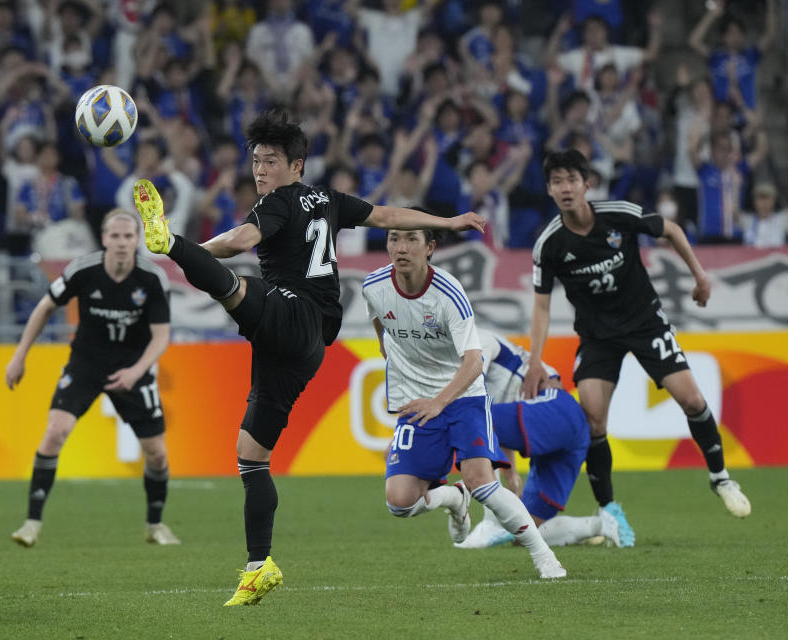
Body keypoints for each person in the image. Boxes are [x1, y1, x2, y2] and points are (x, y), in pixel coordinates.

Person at [133, 108, 486, 606]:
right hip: (307, 344)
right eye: (256, 161)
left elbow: (239, 241)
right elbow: (386, 215)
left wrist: (178, 249)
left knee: (237, 292)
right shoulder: (329, 200)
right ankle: (260, 567)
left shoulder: (278, 203)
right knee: (251, 456)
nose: (260, 171)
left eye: (271, 161)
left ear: (296, 166)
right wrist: (447, 222)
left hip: (296, 314)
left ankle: (165, 238)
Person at [522, 150, 751, 544]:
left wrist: (700, 276)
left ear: (586, 184)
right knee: (593, 420)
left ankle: (721, 478)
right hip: (597, 337)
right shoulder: (549, 244)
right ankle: (609, 512)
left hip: (645, 323)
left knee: (692, 399)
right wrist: (535, 361)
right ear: (549, 189)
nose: (565, 188)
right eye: (557, 182)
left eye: (571, 180)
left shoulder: (619, 214)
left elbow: (673, 230)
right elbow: (541, 306)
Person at [363, 228, 567, 578]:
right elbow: (380, 321)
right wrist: (387, 348)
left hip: (461, 397)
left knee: (483, 483)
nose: (401, 247)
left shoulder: (449, 292)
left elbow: (474, 363)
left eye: (411, 239)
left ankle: (544, 556)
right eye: (394, 238)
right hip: (417, 402)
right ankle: (454, 499)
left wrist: (441, 402)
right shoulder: (373, 286)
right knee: (399, 503)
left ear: (429, 248)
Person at [5, 209, 178, 548]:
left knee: (157, 454)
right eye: (115, 236)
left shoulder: (152, 279)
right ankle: (31, 523)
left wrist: (135, 373)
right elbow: (44, 307)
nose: (122, 242)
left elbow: (161, 337)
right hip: (85, 364)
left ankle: (155, 526)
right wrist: (19, 355)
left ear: (137, 240)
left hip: (132, 367)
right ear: (104, 239)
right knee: (55, 432)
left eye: (129, 236)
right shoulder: (83, 270)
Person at [456, 329, 622, 549]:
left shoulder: (478, 341)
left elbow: (477, 410)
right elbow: (497, 420)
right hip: (567, 431)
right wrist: (511, 473)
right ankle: (601, 526)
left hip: (558, 410)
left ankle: (491, 522)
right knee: (522, 531)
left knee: (468, 419)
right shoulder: (457, 355)